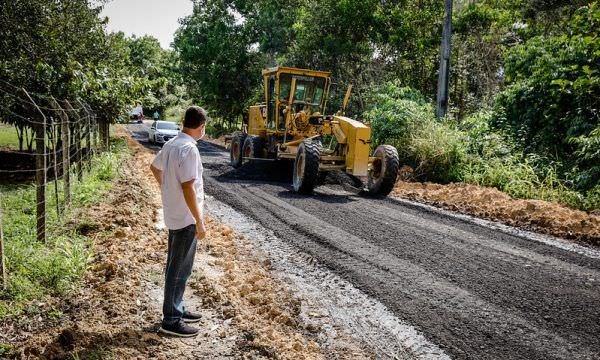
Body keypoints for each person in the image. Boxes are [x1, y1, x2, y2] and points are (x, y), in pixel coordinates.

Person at [150, 106, 209, 337]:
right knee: (179, 268)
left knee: (179, 266)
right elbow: (188, 187)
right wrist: (199, 220)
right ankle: (171, 320)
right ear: (201, 127)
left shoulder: (172, 144)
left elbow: (154, 168)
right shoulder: (189, 150)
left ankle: (178, 307)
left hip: (174, 213)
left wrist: (167, 189)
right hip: (186, 217)